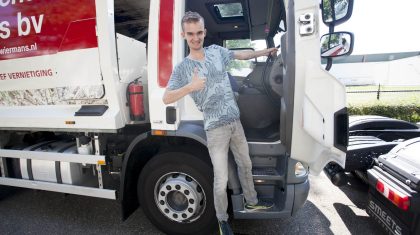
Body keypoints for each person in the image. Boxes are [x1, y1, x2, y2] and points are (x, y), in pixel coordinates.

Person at [162, 11, 277, 235]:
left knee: (246, 164)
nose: (195, 38)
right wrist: (190, 88)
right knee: (221, 177)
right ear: (183, 35)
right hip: (215, 130)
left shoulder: (216, 52)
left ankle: (252, 201)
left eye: (198, 33)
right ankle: (222, 220)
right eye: (190, 34)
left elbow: (241, 55)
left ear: (204, 32)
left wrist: (266, 51)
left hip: (236, 122)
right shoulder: (183, 68)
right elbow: (167, 97)